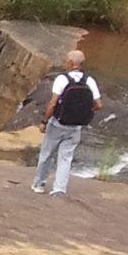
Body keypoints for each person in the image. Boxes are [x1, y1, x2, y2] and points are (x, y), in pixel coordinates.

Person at [32, 49, 102, 197]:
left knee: (47, 154)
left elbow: (52, 103)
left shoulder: (62, 79)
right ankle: (59, 189)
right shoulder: (89, 80)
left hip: (58, 124)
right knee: (66, 157)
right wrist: (84, 111)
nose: (64, 63)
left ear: (70, 63)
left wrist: (44, 121)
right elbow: (99, 104)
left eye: (65, 61)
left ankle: (39, 184)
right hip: (76, 126)